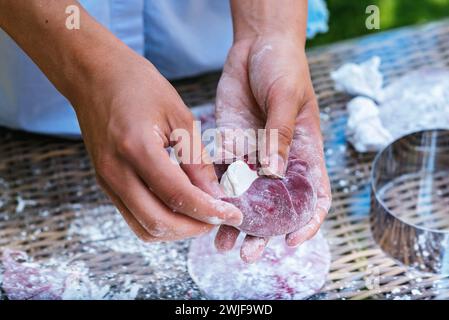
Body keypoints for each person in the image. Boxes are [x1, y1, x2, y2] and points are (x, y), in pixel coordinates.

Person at [0, 0, 331, 263]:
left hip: (209, 37)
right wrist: (90, 73)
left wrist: (266, 32)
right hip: (38, 54)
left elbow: (269, 30)